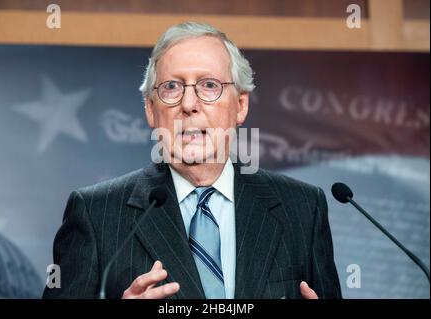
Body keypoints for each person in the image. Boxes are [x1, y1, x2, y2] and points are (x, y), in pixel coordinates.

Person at [42, 22, 341, 299]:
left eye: (209, 85)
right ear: (150, 108)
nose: (188, 104)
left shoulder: (302, 209)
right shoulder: (95, 214)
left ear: (240, 105)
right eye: (172, 87)